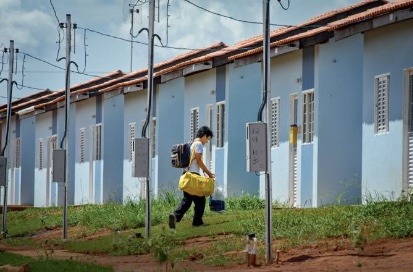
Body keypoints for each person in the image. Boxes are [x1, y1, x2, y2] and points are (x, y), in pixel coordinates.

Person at [169, 126, 215, 228]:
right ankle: (197, 222)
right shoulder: (198, 145)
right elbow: (198, 161)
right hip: (194, 176)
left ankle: (175, 215)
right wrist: (209, 173)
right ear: (204, 135)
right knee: (200, 200)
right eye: (207, 138)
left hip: (186, 175)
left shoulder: (191, 144)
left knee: (187, 200)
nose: (207, 141)